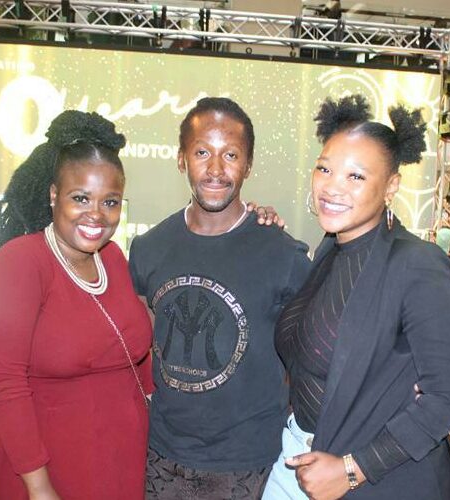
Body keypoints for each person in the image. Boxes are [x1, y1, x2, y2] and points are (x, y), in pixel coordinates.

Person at [263, 95, 450, 500]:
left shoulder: (417, 263)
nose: (331, 187)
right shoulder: (329, 249)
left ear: (391, 186)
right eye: (324, 168)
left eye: (355, 176)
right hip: (297, 455)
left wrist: (352, 470)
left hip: (367, 476)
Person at [129, 97, 312, 499]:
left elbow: (309, 359)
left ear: (248, 165)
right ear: (181, 159)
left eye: (230, 155)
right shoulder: (147, 248)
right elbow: (143, 347)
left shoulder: (284, 255)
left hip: (251, 464)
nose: (215, 169)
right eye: (202, 153)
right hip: (163, 457)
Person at [0, 110, 153, 499]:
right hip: (45, 466)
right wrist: (40, 488)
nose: (96, 215)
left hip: (119, 459)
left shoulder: (112, 258)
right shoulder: (20, 263)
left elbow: (134, 356)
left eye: (110, 201)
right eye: (80, 198)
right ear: (54, 195)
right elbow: (5, 385)